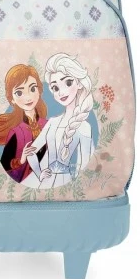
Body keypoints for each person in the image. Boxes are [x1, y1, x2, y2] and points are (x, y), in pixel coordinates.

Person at [26, 53, 95, 189]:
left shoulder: (84, 127)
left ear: (79, 83)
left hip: (66, 184)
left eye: (68, 83)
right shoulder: (52, 122)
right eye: (55, 88)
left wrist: (76, 186)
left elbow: (84, 165)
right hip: (45, 183)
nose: (61, 92)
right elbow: (32, 151)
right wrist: (39, 173)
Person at [0, 64, 47, 183]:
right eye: (19, 93)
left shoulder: (48, 125)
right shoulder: (16, 132)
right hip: (29, 180)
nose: (28, 97)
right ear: (12, 99)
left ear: (39, 91)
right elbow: (7, 166)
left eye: (32, 89)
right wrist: (22, 159)